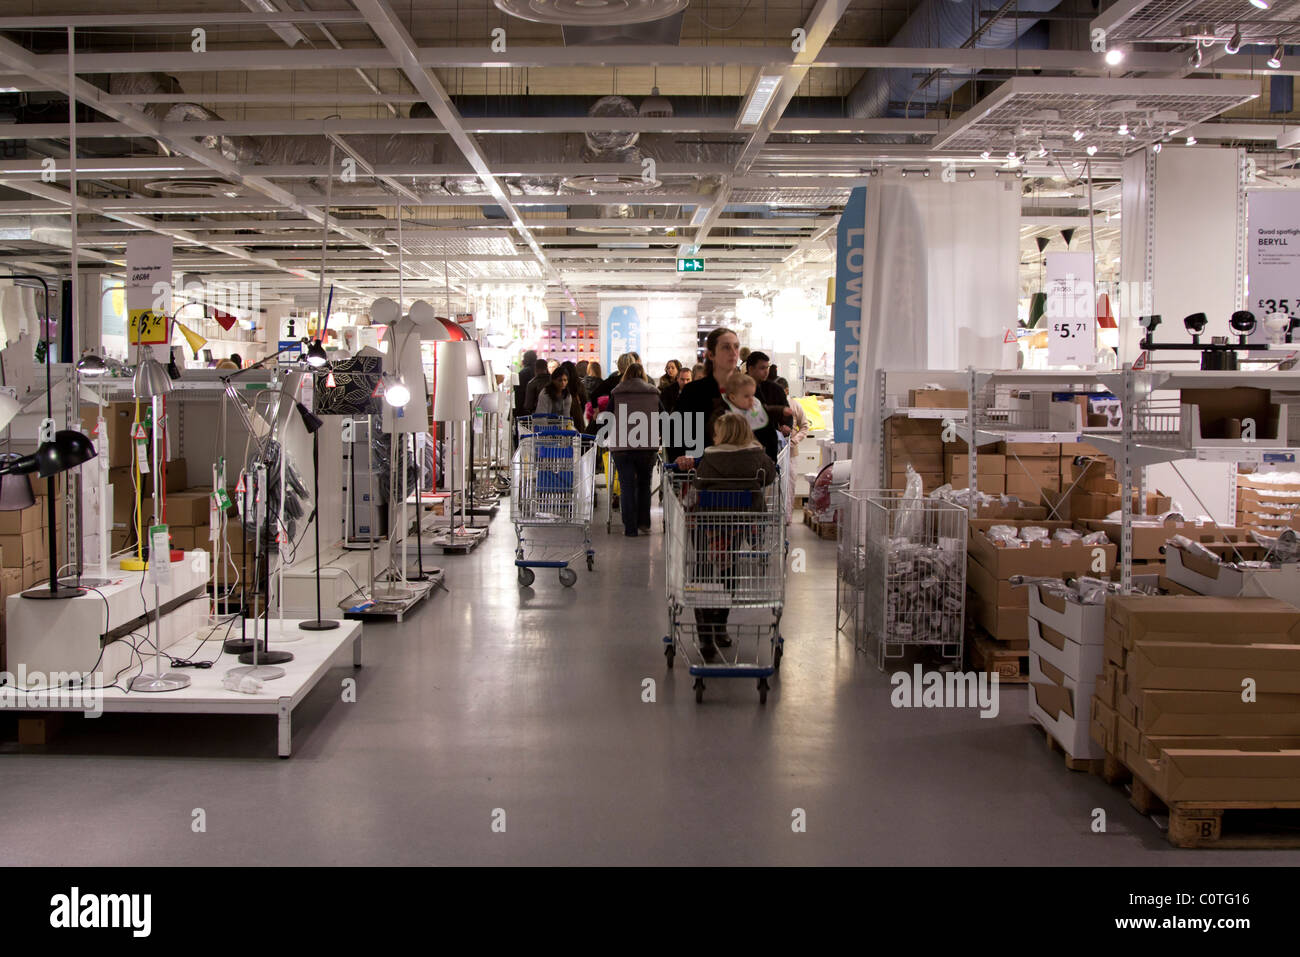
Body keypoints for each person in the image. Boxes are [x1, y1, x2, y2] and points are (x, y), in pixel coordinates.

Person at [691, 413, 777, 660]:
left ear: (724, 435)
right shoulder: (758, 457)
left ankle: (706, 633)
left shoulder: (710, 457)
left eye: (717, 432)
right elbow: (769, 476)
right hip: (741, 520)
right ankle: (721, 625)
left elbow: (698, 484)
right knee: (730, 567)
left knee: (703, 569)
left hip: (710, 522)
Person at [668, 328, 741, 470]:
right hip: (702, 470)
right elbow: (676, 426)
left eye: (736, 346)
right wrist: (679, 455)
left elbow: (764, 432)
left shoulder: (749, 390)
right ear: (711, 354)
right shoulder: (693, 391)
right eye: (726, 347)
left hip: (740, 472)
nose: (733, 352)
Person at [607, 362, 662, 536]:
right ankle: (644, 523)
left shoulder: (617, 393)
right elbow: (664, 416)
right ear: (644, 375)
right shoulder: (653, 394)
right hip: (647, 446)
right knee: (644, 485)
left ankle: (630, 529)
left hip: (622, 447)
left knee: (627, 486)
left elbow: (608, 418)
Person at [721, 370, 791, 461]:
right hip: (732, 455)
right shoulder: (725, 413)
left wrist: (781, 410)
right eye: (746, 396)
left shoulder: (754, 406)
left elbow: (766, 409)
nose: (752, 400)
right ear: (732, 397)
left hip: (755, 454)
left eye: (752, 395)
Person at [557, 360, 587, 429]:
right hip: (577, 417)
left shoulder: (559, 386)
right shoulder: (579, 385)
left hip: (560, 420)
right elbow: (584, 403)